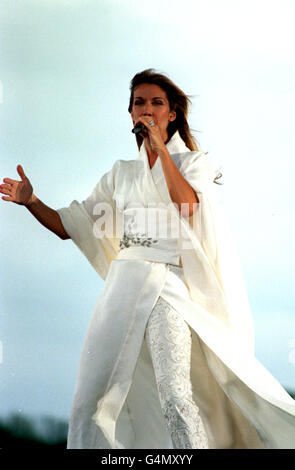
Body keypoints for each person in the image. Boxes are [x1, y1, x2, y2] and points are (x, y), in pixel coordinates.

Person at [1, 68, 295, 449]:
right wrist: (32, 202)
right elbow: (67, 225)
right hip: (122, 288)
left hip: (167, 286)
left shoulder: (192, 163)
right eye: (139, 102)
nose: (147, 109)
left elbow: (188, 205)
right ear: (130, 113)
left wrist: (159, 149)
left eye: (157, 103)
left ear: (172, 114)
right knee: (90, 399)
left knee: (174, 393)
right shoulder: (120, 175)